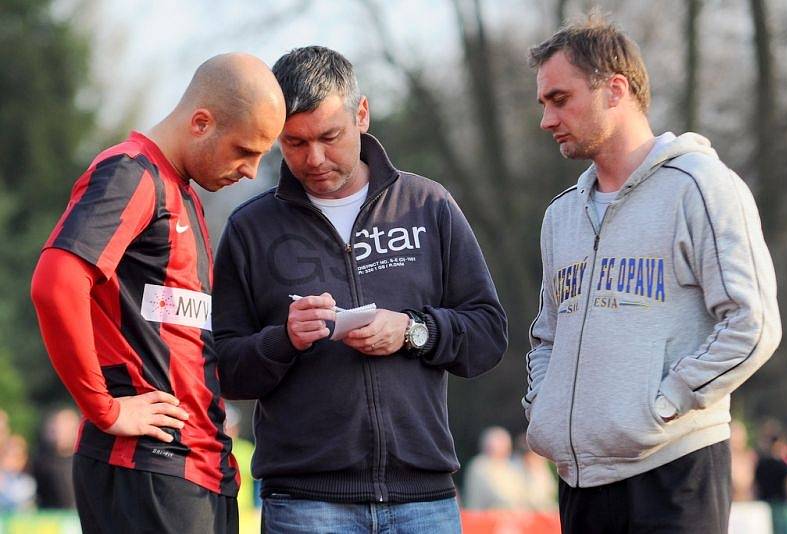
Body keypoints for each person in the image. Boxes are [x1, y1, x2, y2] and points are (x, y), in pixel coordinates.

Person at [212, 45, 507, 533]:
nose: (315, 158)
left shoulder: (427, 205)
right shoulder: (251, 228)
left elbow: (489, 335)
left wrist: (414, 331)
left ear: (362, 114)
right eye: (295, 143)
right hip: (305, 505)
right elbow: (221, 368)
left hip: (424, 500)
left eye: (330, 136)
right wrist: (282, 339)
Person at [522, 13, 781, 534]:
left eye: (560, 99)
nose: (547, 119)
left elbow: (753, 326)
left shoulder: (701, 186)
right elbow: (548, 332)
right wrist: (543, 408)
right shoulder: (561, 215)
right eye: (544, 103)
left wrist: (663, 405)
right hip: (580, 479)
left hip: (673, 471)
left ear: (614, 90)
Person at [30, 53, 286, 534]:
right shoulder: (131, 173)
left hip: (193, 470)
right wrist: (103, 407)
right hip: (149, 467)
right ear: (201, 122)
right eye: (244, 151)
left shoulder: (180, 191)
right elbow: (56, 283)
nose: (251, 171)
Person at [462, 426, 527, 510]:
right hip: (484, 517)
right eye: (500, 441)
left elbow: (523, 495)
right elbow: (494, 496)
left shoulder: (511, 466)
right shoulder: (479, 466)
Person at [32, 407, 80, 509]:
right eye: (56, 427)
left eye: (66, 428)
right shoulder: (39, 463)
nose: (60, 433)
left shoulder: (87, 463)